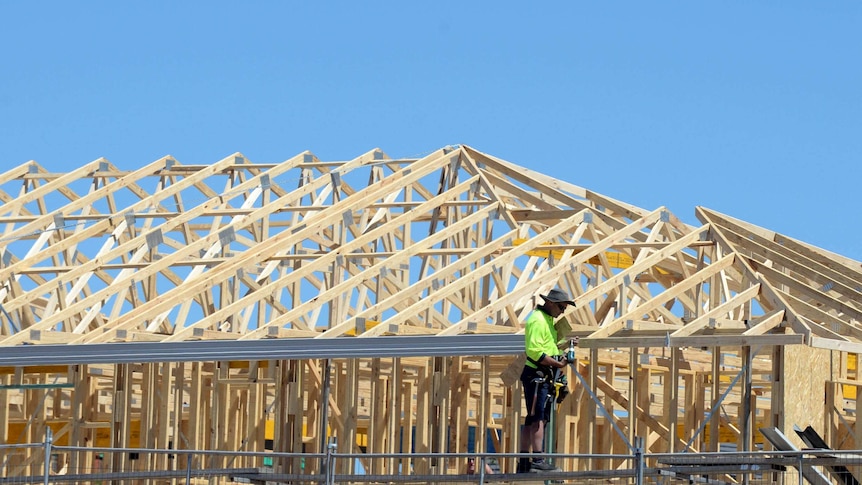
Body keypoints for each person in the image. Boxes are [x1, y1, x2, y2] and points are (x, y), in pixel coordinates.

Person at [517, 288, 577, 473]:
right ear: (550, 302)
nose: (562, 311)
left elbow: (549, 347)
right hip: (537, 375)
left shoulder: (548, 321)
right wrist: (559, 365)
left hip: (541, 375)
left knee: (532, 418)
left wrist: (566, 345)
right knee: (538, 419)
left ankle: (525, 461)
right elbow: (535, 352)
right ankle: (537, 460)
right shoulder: (537, 320)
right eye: (561, 307)